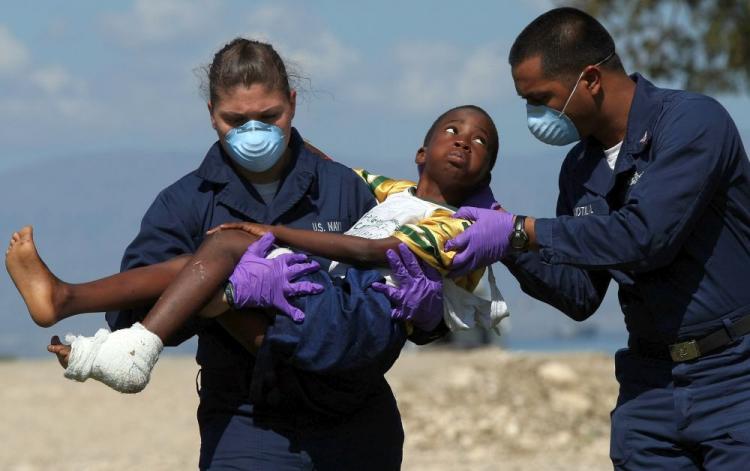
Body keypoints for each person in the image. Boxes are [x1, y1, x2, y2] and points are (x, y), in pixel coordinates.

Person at [4, 36, 493, 471]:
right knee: (208, 261)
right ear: (211, 113)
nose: (254, 131)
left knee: (223, 255)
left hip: (357, 421)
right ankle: (70, 300)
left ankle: (68, 297)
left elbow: (387, 299)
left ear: (293, 105)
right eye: (235, 120)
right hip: (248, 421)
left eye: (269, 117)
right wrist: (224, 299)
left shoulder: (343, 187)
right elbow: (133, 315)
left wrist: (429, 318)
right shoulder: (185, 202)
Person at [6, 104, 506, 393]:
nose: (464, 142)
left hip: (357, 316)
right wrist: (281, 130)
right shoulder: (396, 193)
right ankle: (74, 310)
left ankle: (124, 345)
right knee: (200, 268)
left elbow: (375, 250)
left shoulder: (461, 225)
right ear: (421, 153)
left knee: (227, 246)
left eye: (480, 142)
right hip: (329, 307)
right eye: (451, 130)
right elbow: (333, 165)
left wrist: (275, 232)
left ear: (485, 172)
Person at [444, 7, 750, 470]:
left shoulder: (691, 123)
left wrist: (521, 230)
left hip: (733, 376)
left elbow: (645, 237)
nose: (534, 116)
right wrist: (505, 241)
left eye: (541, 98)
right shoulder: (579, 168)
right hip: (648, 388)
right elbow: (581, 294)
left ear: (589, 79)